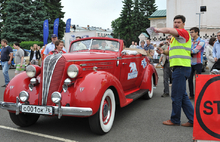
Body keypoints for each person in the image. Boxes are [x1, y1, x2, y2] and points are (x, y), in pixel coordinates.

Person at [155, 15, 194, 127]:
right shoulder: (174, 38)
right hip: (180, 67)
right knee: (182, 95)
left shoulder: (184, 33)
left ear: (183, 24)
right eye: (175, 22)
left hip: (181, 68)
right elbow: (170, 52)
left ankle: (175, 119)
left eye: (179, 22)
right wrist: (162, 51)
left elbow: (168, 30)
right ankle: (193, 119)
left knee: (177, 95)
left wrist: (156, 30)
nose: (176, 24)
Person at [188, 27, 205, 99]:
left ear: (197, 32)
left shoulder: (201, 41)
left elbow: (195, 51)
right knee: (189, 79)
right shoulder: (190, 41)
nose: (191, 33)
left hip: (198, 62)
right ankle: (191, 94)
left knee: (198, 80)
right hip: (190, 62)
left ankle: (198, 95)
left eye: (192, 32)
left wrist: (188, 51)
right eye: (190, 32)